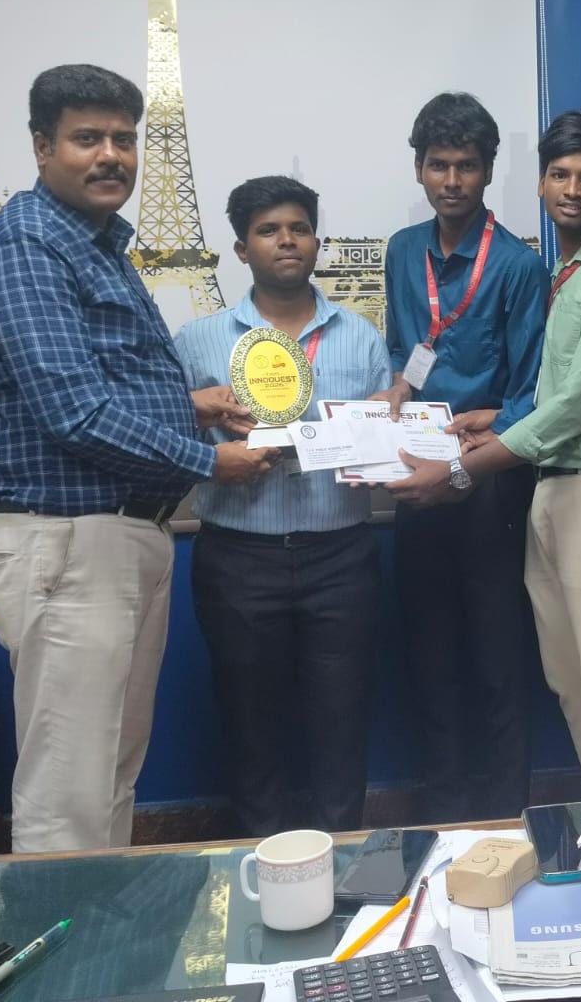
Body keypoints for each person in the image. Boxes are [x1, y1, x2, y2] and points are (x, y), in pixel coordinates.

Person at [0, 64, 278, 854]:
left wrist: (190, 406)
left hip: (117, 537)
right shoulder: (29, 246)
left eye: (124, 140)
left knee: (109, 777)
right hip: (73, 540)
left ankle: (99, 930)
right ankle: (59, 938)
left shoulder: (94, 246)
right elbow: (74, 411)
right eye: (87, 138)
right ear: (43, 147)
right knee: (68, 796)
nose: (111, 155)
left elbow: (99, 383)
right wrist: (209, 462)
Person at [387, 110, 581, 808]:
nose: (572, 190)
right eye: (560, 175)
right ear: (540, 183)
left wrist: (461, 468)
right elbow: (551, 390)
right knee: (570, 684)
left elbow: (574, 406)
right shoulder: (569, 274)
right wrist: (496, 415)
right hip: (552, 490)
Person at [175, 175, 391, 836]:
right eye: (268, 230)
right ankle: (261, 865)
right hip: (239, 557)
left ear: (317, 242)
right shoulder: (200, 340)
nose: (286, 240)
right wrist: (216, 451)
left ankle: (345, 863)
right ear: (242, 249)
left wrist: (379, 447)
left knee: (343, 724)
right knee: (250, 727)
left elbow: (381, 443)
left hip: (341, 556)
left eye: (299, 228)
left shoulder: (361, 337)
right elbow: (168, 438)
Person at [377, 93, 549, 821]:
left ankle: (505, 820)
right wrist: (393, 391)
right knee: (429, 658)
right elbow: (404, 352)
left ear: (487, 171)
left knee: (496, 661)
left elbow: (533, 389)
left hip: (489, 487)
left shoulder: (517, 265)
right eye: (439, 165)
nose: (452, 181)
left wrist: (491, 429)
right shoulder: (400, 251)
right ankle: (445, 819)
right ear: (419, 168)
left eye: (467, 166)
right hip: (414, 479)